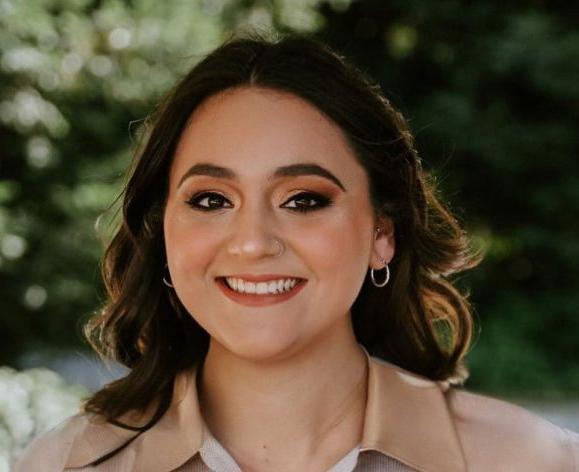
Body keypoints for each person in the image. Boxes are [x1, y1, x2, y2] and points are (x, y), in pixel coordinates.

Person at [15, 30, 579, 472]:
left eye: (303, 199)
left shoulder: (535, 462)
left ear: (382, 233)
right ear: (164, 232)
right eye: (211, 199)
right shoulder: (67, 465)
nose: (254, 241)